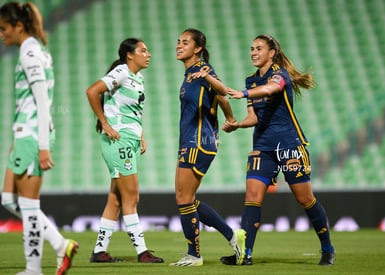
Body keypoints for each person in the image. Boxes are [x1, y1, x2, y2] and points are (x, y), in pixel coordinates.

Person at [220, 34, 335, 265]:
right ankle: (245, 254)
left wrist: (243, 94)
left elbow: (271, 90)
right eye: (251, 48)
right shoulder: (251, 80)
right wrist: (238, 124)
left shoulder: (279, 75)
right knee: (252, 196)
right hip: (262, 145)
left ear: (271, 53)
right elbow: (254, 116)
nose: (253, 52)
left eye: (259, 48)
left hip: (290, 144)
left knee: (305, 198)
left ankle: (327, 248)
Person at [0, 2, 78, 275]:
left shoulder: (30, 52)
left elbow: (43, 102)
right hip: (24, 133)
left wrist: (43, 147)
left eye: (3, 28)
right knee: (9, 198)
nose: (1, 34)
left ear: (18, 26)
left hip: (32, 135)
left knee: (29, 206)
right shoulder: (36, 50)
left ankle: (33, 269)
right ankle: (60, 244)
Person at [170, 28, 246, 267]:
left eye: (185, 42)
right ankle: (232, 235)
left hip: (197, 142)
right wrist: (230, 120)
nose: (179, 45)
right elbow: (220, 99)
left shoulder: (203, 70)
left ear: (198, 48)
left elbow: (223, 91)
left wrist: (208, 77)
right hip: (195, 140)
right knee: (187, 198)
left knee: (183, 198)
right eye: (178, 42)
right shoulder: (191, 73)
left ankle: (194, 254)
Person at [85, 38, 163, 264]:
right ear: (130, 55)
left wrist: (141, 135)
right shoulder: (121, 72)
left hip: (129, 140)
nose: (148, 54)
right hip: (118, 142)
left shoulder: (138, 78)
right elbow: (92, 91)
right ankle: (142, 252)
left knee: (116, 199)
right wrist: (105, 124)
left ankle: (100, 251)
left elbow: (132, 112)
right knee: (132, 197)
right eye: (143, 50)